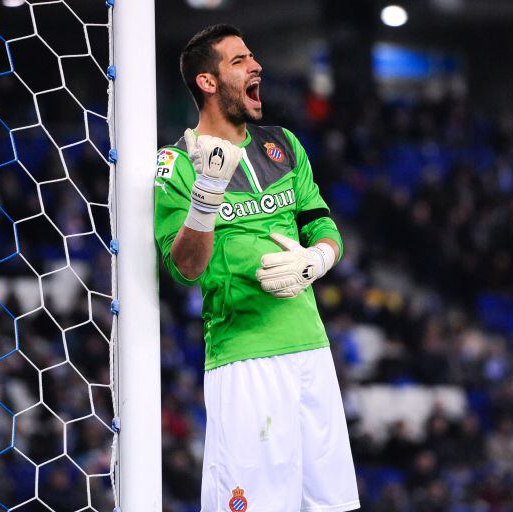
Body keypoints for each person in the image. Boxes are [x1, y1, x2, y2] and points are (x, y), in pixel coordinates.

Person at [154, 24, 360, 511]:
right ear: (208, 82)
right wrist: (207, 190)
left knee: (332, 504)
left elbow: (322, 224)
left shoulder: (283, 144)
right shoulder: (175, 164)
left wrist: (318, 258)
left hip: (311, 349)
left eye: (253, 57)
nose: (256, 66)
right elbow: (185, 269)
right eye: (240, 60)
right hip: (244, 357)